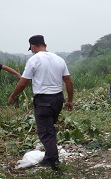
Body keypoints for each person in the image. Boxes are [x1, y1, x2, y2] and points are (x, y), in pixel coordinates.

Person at [8, 35, 74, 171]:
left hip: (44, 100)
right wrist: (69, 100)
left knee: (45, 131)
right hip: (58, 99)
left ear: (33, 46)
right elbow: (68, 81)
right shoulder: (59, 59)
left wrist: (13, 96)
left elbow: (23, 82)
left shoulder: (34, 60)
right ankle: (52, 155)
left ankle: (51, 159)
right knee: (50, 128)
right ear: (44, 44)